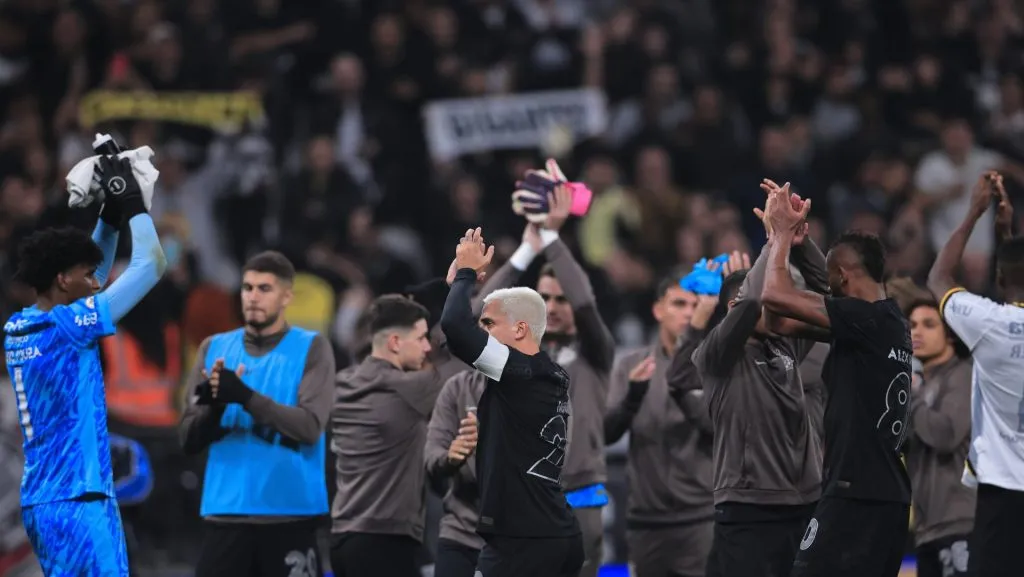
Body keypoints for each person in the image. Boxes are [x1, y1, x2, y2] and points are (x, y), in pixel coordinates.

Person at [3, 155, 167, 576]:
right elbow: (152, 264)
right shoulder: (69, 327)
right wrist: (132, 203)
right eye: (88, 276)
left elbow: (90, 270)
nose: (97, 283)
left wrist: (109, 216)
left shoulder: (18, 327)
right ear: (62, 280)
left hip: (41, 504)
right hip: (82, 500)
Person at [759, 184, 912, 577]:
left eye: (829, 281)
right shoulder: (886, 323)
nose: (826, 288)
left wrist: (780, 237)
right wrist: (791, 243)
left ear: (842, 277)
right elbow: (778, 322)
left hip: (856, 493)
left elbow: (774, 296)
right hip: (883, 495)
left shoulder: (867, 319)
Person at [688, 183, 828, 577]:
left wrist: (800, 242)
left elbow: (831, 297)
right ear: (734, 309)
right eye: (772, 299)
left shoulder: (787, 345)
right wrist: (775, 239)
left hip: (804, 502)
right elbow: (751, 300)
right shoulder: (715, 354)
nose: (780, 304)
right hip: (748, 507)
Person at [481, 186, 615, 577]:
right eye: (544, 299)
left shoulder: (595, 353)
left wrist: (553, 238)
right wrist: (526, 250)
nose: (552, 307)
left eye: (561, 299)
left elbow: (585, 302)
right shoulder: (512, 359)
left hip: (580, 495)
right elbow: (478, 317)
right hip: (524, 502)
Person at [178, 251, 336, 577]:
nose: (253, 297)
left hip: (289, 514)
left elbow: (309, 427)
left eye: (265, 289)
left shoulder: (312, 348)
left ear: (286, 296)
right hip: (226, 512)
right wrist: (215, 409)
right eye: (247, 288)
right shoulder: (214, 349)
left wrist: (245, 397)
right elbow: (187, 438)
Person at [440, 227, 583, 577]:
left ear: (520, 330)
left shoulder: (517, 371)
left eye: (489, 323)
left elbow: (455, 328)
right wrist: (458, 287)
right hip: (552, 533)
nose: (482, 332)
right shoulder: (542, 371)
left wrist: (466, 274)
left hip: (522, 542)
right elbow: (458, 334)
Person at [927, 171, 1024, 577]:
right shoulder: (993, 322)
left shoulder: (989, 325)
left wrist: (973, 213)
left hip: (1002, 493)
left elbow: (938, 278)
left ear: (999, 278)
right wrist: (1007, 237)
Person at [331, 293, 466, 577]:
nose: (427, 347)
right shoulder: (410, 388)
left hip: (343, 537)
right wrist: (463, 286)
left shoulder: (343, 382)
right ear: (395, 342)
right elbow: (466, 351)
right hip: (384, 542)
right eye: (420, 338)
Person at [605, 271, 714, 577]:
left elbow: (717, 428)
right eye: (679, 304)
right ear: (657, 310)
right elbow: (606, 433)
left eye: (695, 305)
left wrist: (683, 392)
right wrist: (632, 397)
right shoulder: (631, 365)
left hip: (700, 517)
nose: (688, 313)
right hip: (645, 521)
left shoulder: (711, 365)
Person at [903, 299, 974, 577]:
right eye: (912, 325)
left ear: (951, 334)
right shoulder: (922, 383)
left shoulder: (963, 376)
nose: (917, 332)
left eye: (929, 325)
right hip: (928, 527)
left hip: (960, 523)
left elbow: (945, 435)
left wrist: (911, 395)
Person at [425, 369, 486, 577]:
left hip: (518, 538)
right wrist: (449, 457)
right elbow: (432, 455)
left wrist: (491, 437)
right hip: (461, 532)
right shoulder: (457, 387)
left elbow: (552, 464)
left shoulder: (539, 387)